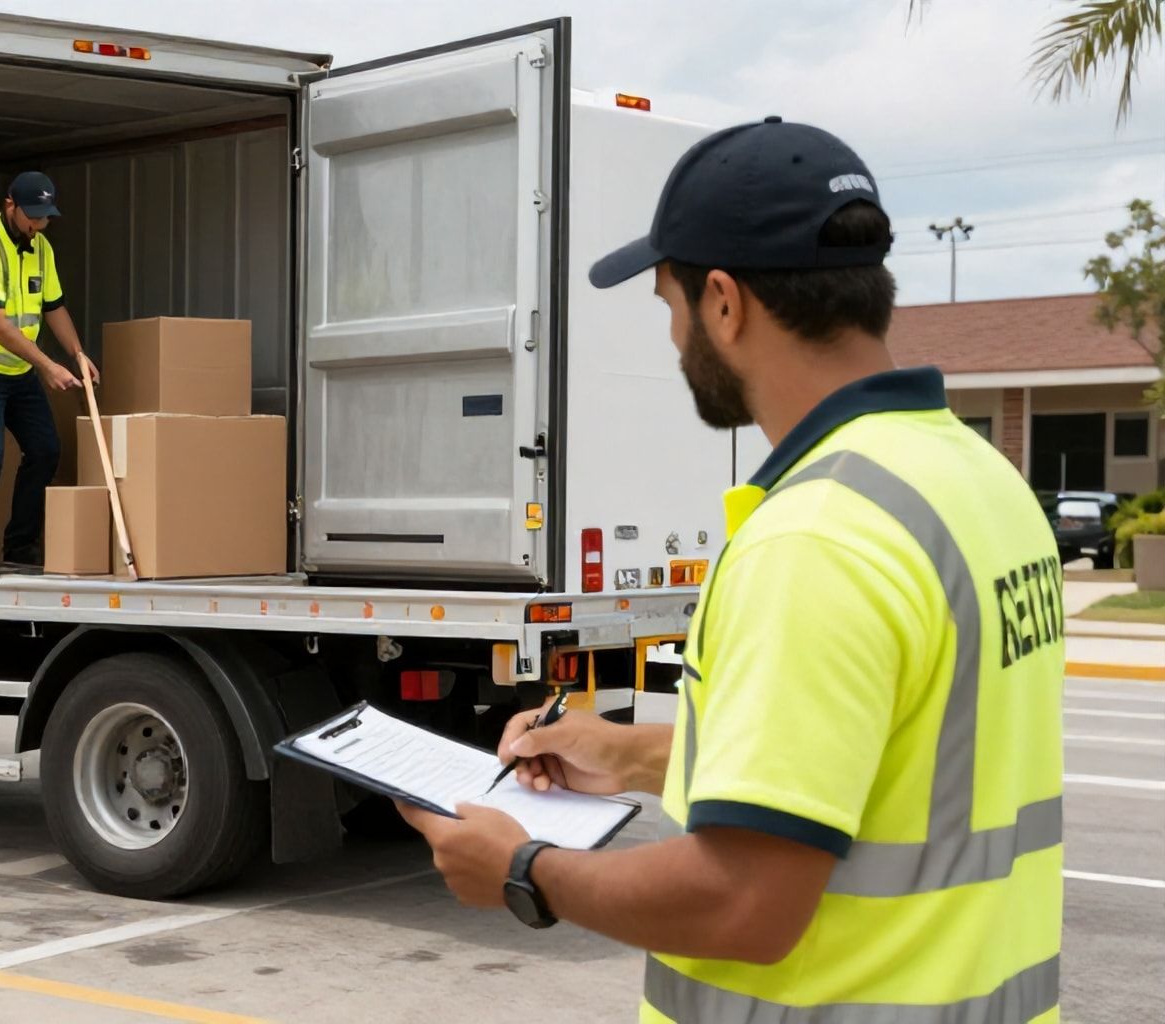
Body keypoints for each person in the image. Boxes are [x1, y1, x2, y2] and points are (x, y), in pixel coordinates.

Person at [398, 118, 1065, 1022]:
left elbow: (745, 902)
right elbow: (899, 761)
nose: (675, 339)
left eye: (670, 304)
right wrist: (632, 754)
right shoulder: (979, 482)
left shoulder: (816, 539)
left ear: (724, 301)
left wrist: (524, 869)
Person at [0, 171, 96, 580]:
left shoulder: (41, 248)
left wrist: (77, 355)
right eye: (33, 216)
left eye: (46, 217)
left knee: (46, 449)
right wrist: (49, 365)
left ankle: (20, 545)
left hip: (18, 368)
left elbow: (54, 306)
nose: (39, 225)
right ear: (9, 205)